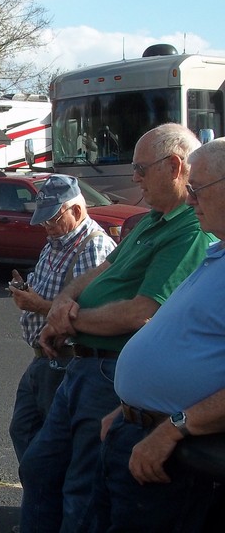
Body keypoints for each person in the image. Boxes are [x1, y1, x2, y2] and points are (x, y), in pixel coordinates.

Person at [18, 123, 215, 533]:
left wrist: (66, 317)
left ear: (175, 166)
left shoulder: (191, 231)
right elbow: (99, 272)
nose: (135, 178)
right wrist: (63, 304)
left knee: (83, 488)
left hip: (105, 369)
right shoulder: (149, 222)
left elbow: (142, 312)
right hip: (90, 372)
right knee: (41, 466)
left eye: (141, 169)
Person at [85, 137, 225, 531]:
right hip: (137, 430)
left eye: (198, 191)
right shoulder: (218, 254)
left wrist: (174, 428)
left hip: (174, 455)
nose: (191, 200)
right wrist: (130, 408)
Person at [8, 175, 116, 462]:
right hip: (41, 357)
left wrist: (37, 304)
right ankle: (38, 496)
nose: (47, 228)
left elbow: (84, 313)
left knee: (54, 447)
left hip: (66, 359)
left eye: (52, 220)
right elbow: (49, 290)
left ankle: (46, 500)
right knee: (23, 429)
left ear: (76, 211)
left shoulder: (93, 247)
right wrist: (26, 292)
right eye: (43, 220)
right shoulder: (54, 244)